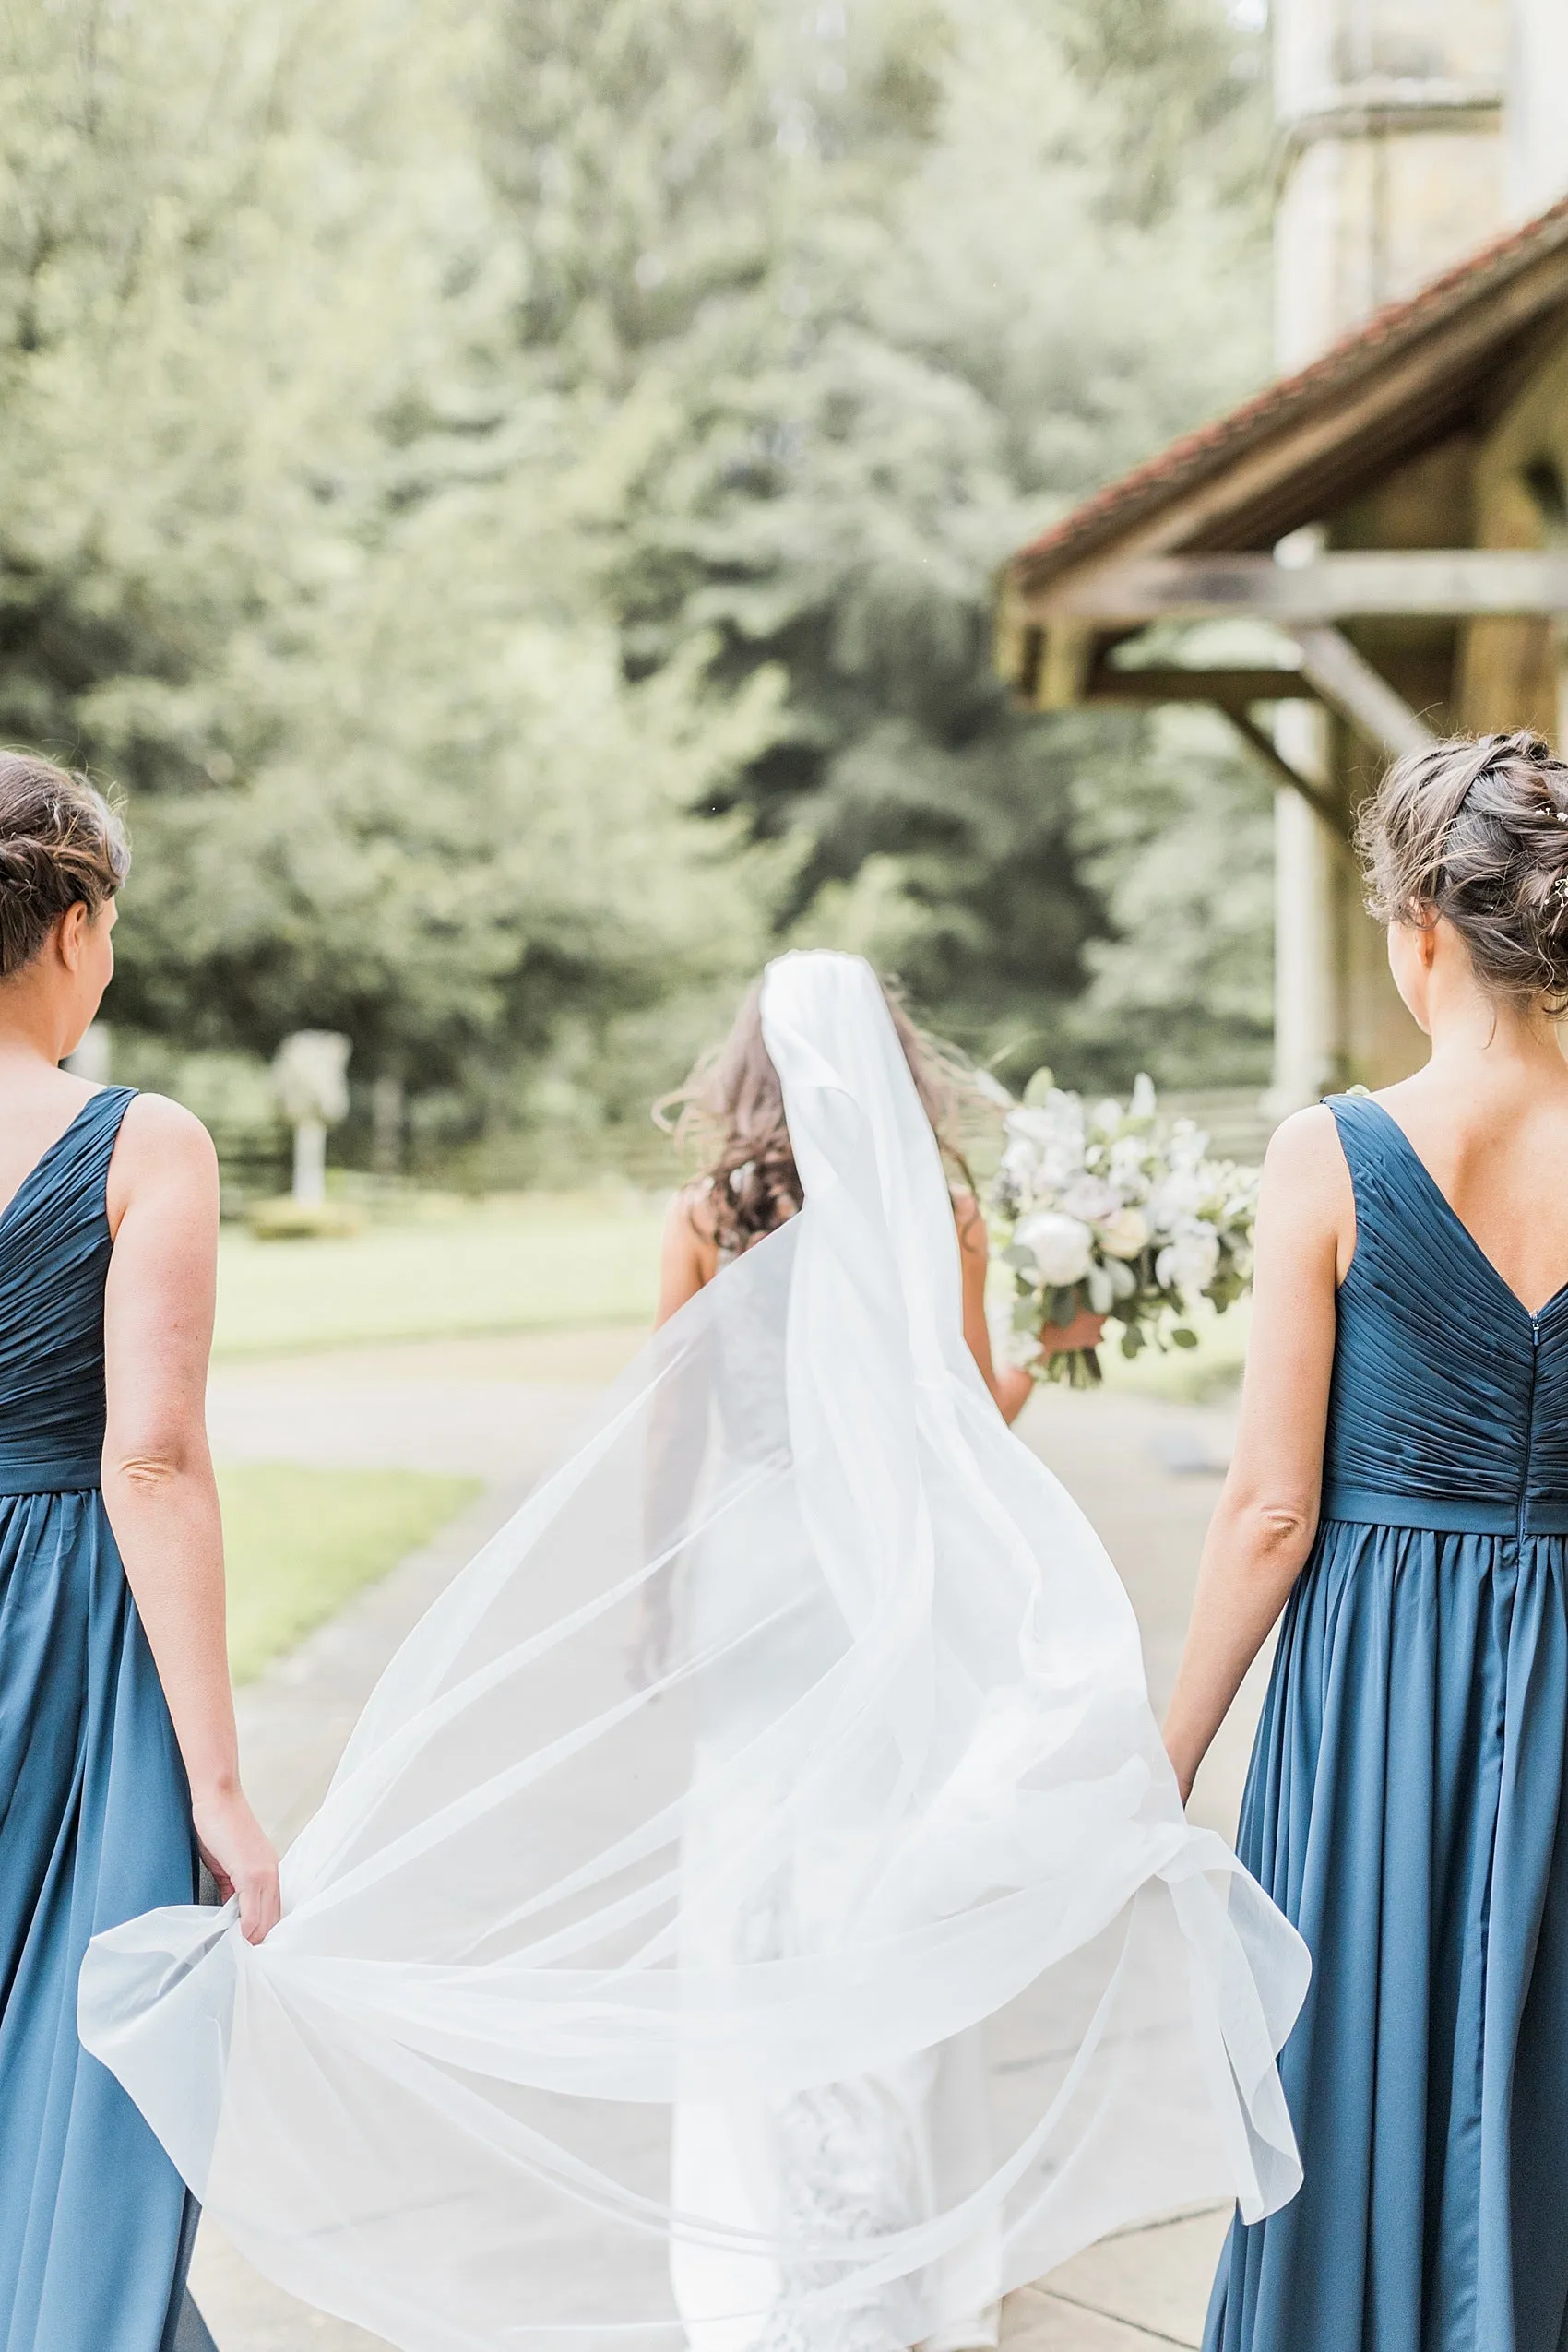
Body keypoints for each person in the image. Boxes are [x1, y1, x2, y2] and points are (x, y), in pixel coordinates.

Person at [78, 948, 1306, 2352]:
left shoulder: (707, 1215)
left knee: (743, 1888)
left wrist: (658, 1598)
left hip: (748, 1576)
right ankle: (891, 2239)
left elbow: (666, 1424)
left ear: (746, 1071)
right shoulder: (939, 1212)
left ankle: (759, 2249)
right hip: (874, 1587)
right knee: (876, 1886)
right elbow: (963, 1432)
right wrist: (1053, 1343)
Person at [1162, 730, 1568, 2352]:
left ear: (1418, 928)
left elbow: (1271, 1509)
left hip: (1381, 1689)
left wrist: (1162, 1752)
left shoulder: (1333, 1152)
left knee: (1366, 2069)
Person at [0, 753, 279, 2352]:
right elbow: (154, 1462)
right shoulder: (139, 1139)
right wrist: (221, 1789)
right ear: (76, 927)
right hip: (66, 1653)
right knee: (85, 2065)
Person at [653, 976, 1035, 1426]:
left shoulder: (709, 1215)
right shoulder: (946, 1216)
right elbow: (976, 1419)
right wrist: (1044, 1346)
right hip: (905, 1499)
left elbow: (676, 1418)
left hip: (756, 1493)